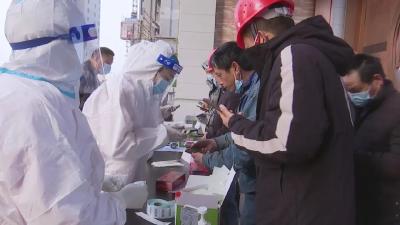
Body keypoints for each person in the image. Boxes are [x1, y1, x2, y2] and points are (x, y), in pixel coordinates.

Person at [0, 1, 147, 224]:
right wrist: (120, 202)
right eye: (77, 44)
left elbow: (34, 182)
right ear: (60, 46)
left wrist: (91, 182)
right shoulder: (37, 107)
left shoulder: (16, 89)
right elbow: (69, 217)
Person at [217, 1, 356, 225]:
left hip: (303, 212)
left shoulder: (294, 56)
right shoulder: (307, 54)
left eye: (248, 44)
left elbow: (286, 142)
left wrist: (235, 124)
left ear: (258, 35)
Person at [83, 40, 185, 192]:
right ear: (152, 68)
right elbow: (118, 146)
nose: (167, 84)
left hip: (129, 173)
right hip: (112, 176)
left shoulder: (144, 91)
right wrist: (164, 133)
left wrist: (165, 126)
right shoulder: (122, 89)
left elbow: (144, 125)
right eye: (167, 77)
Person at [191, 41, 258, 225]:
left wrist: (207, 160)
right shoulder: (246, 90)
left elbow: (245, 148)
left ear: (235, 68)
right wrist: (216, 142)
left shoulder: (252, 93)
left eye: (219, 74)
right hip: (251, 180)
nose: (218, 81)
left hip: (258, 181)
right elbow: (240, 133)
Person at [343, 54, 400, 225]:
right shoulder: (360, 108)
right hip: (360, 206)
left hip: (386, 212)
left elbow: (396, 163)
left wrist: (353, 156)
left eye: (355, 90)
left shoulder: (396, 110)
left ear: (377, 80)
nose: (352, 95)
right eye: (348, 91)